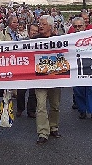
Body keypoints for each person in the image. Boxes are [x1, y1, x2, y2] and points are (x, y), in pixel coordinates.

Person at [35, 15, 61, 144]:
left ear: (50, 26)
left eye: (43, 24)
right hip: (39, 78)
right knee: (41, 105)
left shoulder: (59, 39)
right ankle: (43, 132)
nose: (40, 26)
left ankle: (53, 126)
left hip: (55, 78)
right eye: (40, 24)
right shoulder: (33, 40)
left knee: (55, 105)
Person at [72, 17, 92, 122]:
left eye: (80, 26)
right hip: (76, 67)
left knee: (91, 89)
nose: (78, 28)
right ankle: (82, 110)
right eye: (75, 26)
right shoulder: (70, 38)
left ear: (84, 26)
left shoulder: (91, 37)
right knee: (78, 90)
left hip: (89, 66)